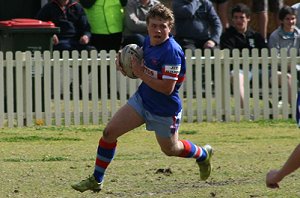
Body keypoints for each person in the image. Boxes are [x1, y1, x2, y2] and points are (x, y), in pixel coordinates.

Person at [71, 3, 213, 193]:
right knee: (108, 133)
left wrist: (139, 72)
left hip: (165, 109)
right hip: (142, 100)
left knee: (172, 149)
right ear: (147, 26)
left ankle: (202, 154)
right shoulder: (147, 41)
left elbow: (167, 88)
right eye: (154, 25)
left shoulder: (172, 51)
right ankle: (97, 179)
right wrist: (123, 61)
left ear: (170, 28)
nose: (158, 30)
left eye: (163, 26)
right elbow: (136, 58)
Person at [220, 3, 267, 108]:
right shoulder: (227, 36)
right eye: (236, 18)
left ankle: (295, 111)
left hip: (258, 71)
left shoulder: (256, 36)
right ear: (232, 19)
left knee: (286, 77)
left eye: (242, 17)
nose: (239, 20)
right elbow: (228, 53)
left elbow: (265, 52)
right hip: (239, 70)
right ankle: (246, 111)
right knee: (237, 76)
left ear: (248, 18)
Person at [268, 5, 300, 106]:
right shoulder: (274, 36)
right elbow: (275, 59)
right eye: (287, 19)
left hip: (296, 69)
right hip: (276, 72)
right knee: (288, 77)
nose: (291, 22)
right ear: (281, 20)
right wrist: (291, 65)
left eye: (293, 19)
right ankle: (296, 109)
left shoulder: (299, 34)